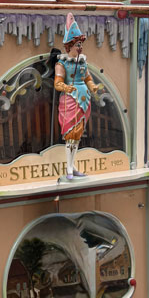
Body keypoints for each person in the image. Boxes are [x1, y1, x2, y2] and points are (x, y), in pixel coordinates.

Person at [54, 13, 102, 181]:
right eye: (77, 44)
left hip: (84, 100)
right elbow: (57, 83)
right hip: (70, 100)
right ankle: (68, 167)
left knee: (78, 136)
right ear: (70, 46)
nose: (80, 47)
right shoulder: (62, 63)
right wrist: (66, 87)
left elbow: (87, 78)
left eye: (81, 44)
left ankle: (72, 166)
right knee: (70, 134)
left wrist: (93, 86)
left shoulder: (82, 62)